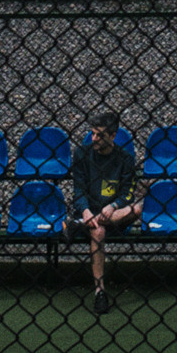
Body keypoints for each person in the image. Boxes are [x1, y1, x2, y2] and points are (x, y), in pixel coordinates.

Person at [64, 106, 141, 312]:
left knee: (139, 208)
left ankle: (77, 225)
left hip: (114, 214)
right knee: (98, 231)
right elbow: (78, 190)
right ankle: (100, 292)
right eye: (92, 133)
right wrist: (86, 211)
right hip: (90, 214)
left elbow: (128, 193)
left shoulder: (125, 158)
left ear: (113, 136)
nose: (94, 139)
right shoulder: (81, 154)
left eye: (100, 135)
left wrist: (113, 206)